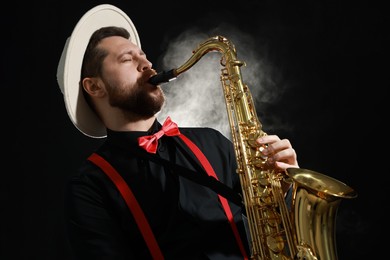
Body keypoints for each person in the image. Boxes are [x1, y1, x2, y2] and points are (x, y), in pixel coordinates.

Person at [57, 4, 299, 260]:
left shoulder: (212, 142)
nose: (146, 64)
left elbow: (274, 232)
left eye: (143, 55)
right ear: (94, 86)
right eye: (127, 59)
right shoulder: (90, 187)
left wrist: (280, 189)